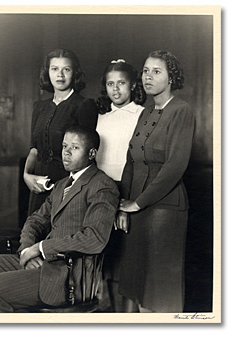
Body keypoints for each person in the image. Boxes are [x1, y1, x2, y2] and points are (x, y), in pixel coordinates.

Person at [0, 126, 119, 313]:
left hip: (67, 275)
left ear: (92, 153)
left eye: (75, 148)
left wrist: (41, 248)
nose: (66, 153)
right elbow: (35, 220)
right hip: (41, 263)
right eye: (64, 146)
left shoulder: (102, 186)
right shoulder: (61, 185)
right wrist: (27, 250)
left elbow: (94, 239)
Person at [117, 50, 195, 313]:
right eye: (146, 71)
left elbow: (175, 166)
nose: (148, 77)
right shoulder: (146, 112)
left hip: (165, 210)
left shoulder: (181, 110)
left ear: (171, 78)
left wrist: (137, 204)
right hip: (137, 209)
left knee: (159, 293)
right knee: (139, 290)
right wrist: (123, 206)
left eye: (156, 71)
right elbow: (131, 160)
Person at [95, 59, 146, 311]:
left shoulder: (142, 115)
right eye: (110, 84)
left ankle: (129, 316)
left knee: (127, 260)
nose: (115, 90)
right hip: (101, 192)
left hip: (129, 191)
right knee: (105, 257)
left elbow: (139, 164)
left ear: (133, 85)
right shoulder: (101, 116)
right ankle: (108, 313)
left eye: (121, 84)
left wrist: (124, 206)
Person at [24, 48, 98, 215]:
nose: (60, 75)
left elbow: (86, 155)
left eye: (66, 69)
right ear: (47, 72)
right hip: (38, 184)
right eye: (54, 69)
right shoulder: (39, 107)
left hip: (68, 185)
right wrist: (27, 175)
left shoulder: (84, 105)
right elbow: (34, 149)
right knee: (34, 232)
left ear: (75, 73)